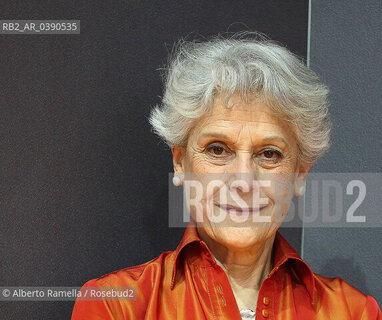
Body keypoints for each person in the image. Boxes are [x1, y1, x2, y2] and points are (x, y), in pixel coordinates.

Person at [71, 32, 381, 319]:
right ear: (180, 162)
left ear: (300, 174)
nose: (244, 182)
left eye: (269, 153)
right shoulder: (116, 306)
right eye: (218, 149)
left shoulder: (352, 312)